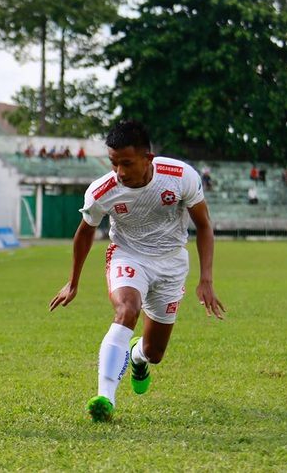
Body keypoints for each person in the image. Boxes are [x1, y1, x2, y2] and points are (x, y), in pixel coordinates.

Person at [49, 119, 225, 423]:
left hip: (171, 263)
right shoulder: (102, 191)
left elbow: (205, 226)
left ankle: (138, 356)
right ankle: (105, 397)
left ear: (148, 159)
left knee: (155, 352)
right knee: (127, 310)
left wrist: (206, 279)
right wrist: (72, 282)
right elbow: (85, 233)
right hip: (127, 256)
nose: (120, 172)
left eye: (127, 163)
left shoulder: (181, 177)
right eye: (114, 163)